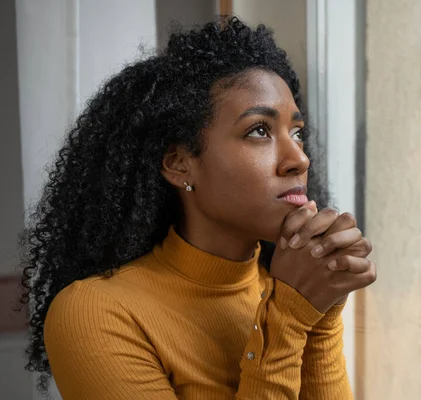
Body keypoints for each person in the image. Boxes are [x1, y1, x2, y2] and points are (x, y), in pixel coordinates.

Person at [19, 17, 376, 400]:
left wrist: (320, 311)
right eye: (259, 130)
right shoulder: (94, 313)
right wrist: (287, 317)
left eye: (297, 133)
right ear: (178, 163)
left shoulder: (290, 286)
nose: (299, 160)